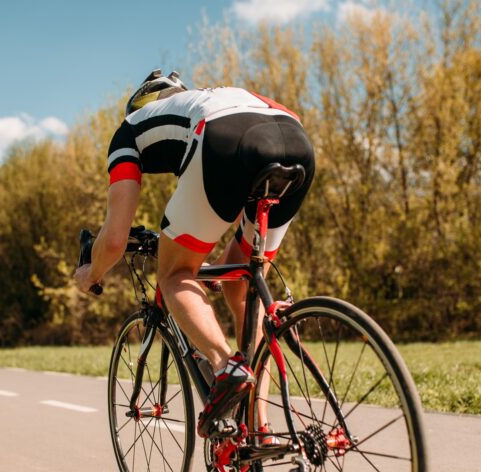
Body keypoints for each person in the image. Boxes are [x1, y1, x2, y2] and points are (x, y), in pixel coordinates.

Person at [74, 70, 315, 439]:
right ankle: (259, 426)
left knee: (174, 274)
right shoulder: (203, 99)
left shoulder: (130, 128)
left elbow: (114, 239)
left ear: (139, 104)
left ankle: (225, 367)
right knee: (246, 287)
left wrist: (91, 273)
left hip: (224, 137)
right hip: (295, 137)